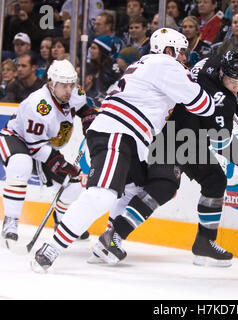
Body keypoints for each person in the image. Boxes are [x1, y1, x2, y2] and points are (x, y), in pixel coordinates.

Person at [31, 28, 216, 272]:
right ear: (168, 50)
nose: (185, 58)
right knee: (103, 194)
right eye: (182, 52)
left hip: (126, 137)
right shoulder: (164, 63)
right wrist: (203, 82)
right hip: (118, 133)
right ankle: (52, 247)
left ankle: (107, 242)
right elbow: (203, 105)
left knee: (136, 188)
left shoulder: (145, 64)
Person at [88, 51, 238, 267]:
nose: (236, 86)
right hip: (170, 134)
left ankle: (204, 243)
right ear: (221, 72)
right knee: (163, 186)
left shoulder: (214, 60)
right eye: (231, 80)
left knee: (215, 180)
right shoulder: (222, 102)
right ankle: (113, 236)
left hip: (189, 136)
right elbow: (221, 144)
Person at [0, 59, 97, 249]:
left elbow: (86, 110)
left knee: (74, 183)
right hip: (16, 139)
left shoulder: (74, 93)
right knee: (22, 163)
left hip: (42, 145)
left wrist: (90, 126)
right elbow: (36, 149)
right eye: (64, 85)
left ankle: (62, 224)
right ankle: (10, 220)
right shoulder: (39, 105)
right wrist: (63, 165)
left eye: (71, 84)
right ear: (52, 84)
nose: (69, 90)